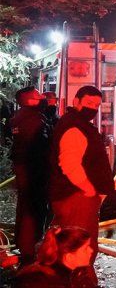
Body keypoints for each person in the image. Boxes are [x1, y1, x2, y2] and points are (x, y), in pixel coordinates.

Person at [49, 85, 114, 271]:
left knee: (74, 245)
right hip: (77, 198)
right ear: (75, 101)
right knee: (79, 247)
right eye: (88, 103)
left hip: (76, 197)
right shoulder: (74, 127)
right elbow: (69, 164)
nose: (93, 108)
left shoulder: (77, 124)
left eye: (96, 104)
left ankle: (75, 282)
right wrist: (88, 189)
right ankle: (79, 284)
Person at [9, 86, 51, 266]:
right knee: (34, 210)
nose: (42, 97)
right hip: (35, 172)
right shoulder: (33, 120)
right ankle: (30, 252)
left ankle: (25, 246)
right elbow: (43, 146)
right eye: (38, 95)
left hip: (26, 171)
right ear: (30, 101)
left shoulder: (19, 118)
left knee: (26, 207)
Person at [11, 226, 106, 288]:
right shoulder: (46, 284)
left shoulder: (77, 273)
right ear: (69, 257)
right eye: (86, 248)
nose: (91, 250)